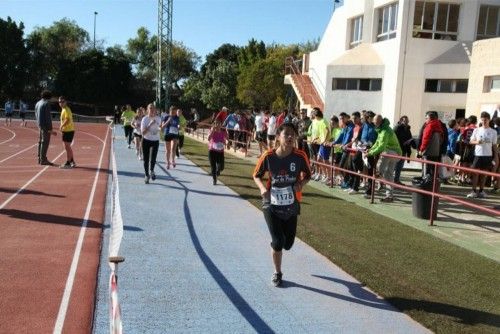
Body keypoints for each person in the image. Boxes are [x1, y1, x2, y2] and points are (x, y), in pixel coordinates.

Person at [253, 123, 311, 287]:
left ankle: (277, 244)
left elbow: (308, 175)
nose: (291, 137)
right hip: (271, 203)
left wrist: (301, 184)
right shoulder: (268, 156)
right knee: (278, 241)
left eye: (293, 134)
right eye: (287, 134)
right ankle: (277, 273)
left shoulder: (300, 156)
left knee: (288, 244)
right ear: (278, 137)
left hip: (291, 204)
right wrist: (263, 188)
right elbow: (256, 175)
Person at [363, 115, 402, 202]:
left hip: (394, 153)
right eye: (374, 122)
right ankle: (389, 196)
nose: (374, 124)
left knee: (385, 153)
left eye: (376, 122)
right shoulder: (381, 129)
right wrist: (370, 150)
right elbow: (377, 143)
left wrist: (369, 153)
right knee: (389, 175)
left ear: (380, 122)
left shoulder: (385, 131)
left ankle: (378, 171)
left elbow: (381, 146)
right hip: (392, 153)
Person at [466, 112, 498, 198]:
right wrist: (477, 142)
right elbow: (471, 141)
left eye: (486, 120)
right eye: (482, 120)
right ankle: (473, 191)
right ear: (481, 120)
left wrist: (496, 156)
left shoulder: (493, 132)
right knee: (475, 173)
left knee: (484, 174)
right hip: (478, 154)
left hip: (488, 155)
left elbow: (494, 145)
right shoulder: (477, 130)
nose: (484, 121)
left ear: (489, 120)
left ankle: (481, 191)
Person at [418, 111, 444, 178]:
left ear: (430, 119)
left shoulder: (429, 126)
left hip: (428, 151)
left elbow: (425, 138)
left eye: (426, 118)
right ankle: (432, 185)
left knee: (427, 169)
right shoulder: (439, 126)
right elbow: (441, 139)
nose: (425, 120)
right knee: (433, 170)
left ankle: (426, 185)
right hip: (436, 151)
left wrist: (421, 149)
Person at [35, 90, 57, 165]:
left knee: (41, 142)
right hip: (45, 126)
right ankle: (43, 159)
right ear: (49, 97)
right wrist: (50, 129)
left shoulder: (38, 103)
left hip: (40, 125)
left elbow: (36, 115)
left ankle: (40, 158)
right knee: (45, 142)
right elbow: (48, 117)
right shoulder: (46, 103)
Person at [141, 103, 161, 184]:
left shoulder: (158, 118)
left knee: (153, 158)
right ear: (147, 110)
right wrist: (150, 124)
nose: (152, 110)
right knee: (146, 160)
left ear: (155, 110)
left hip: (155, 141)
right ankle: (146, 175)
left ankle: (152, 170)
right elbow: (143, 133)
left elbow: (160, 128)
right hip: (146, 140)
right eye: (150, 108)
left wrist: (160, 128)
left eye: (153, 108)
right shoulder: (144, 119)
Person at [393, 116, 413, 185]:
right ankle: (386, 180)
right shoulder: (397, 128)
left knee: (399, 167)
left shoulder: (408, 129)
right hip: (397, 150)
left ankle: (396, 180)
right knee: (393, 166)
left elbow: (410, 140)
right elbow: (393, 138)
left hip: (403, 151)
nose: (406, 123)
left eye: (407, 121)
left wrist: (409, 153)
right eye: (405, 121)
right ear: (401, 121)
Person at [58, 96, 76, 169]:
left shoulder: (66, 110)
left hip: (68, 131)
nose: (61, 103)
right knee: (67, 147)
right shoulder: (63, 109)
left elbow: (67, 120)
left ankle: (68, 163)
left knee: (67, 147)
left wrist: (61, 126)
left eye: (62, 102)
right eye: (59, 102)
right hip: (67, 130)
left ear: (66, 102)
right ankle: (72, 161)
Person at [207, 120, 227, 185]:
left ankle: (218, 171)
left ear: (221, 125)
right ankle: (214, 179)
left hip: (220, 152)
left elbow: (225, 140)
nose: (217, 125)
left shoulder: (223, 132)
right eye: (216, 124)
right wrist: (213, 131)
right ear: (214, 125)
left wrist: (227, 143)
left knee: (221, 167)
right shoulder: (211, 131)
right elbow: (208, 138)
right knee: (213, 167)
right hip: (212, 151)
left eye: (219, 124)